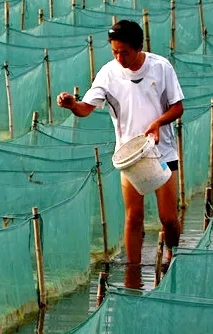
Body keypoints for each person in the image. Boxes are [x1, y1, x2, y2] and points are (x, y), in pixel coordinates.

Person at [56, 19, 184, 289]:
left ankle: (173, 251)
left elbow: (177, 108)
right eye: (114, 51)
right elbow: (86, 108)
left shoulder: (160, 67)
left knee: (168, 218)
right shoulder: (108, 73)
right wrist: (72, 105)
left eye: (124, 52)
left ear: (139, 47)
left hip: (161, 151)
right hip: (130, 155)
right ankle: (133, 273)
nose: (119, 57)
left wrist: (157, 124)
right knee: (133, 215)